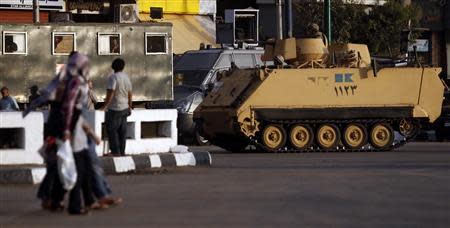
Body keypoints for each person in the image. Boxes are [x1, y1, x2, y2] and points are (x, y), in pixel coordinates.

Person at [100, 58, 133, 156]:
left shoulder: (113, 77)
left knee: (112, 130)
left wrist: (105, 106)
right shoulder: (126, 77)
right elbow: (130, 93)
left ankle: (115, 152)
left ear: (113, 66)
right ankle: (122, 152)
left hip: (115, 108)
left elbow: (111, 92)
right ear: (123, 67)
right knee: (122, 132)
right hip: (125, 107)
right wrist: (130, 106)